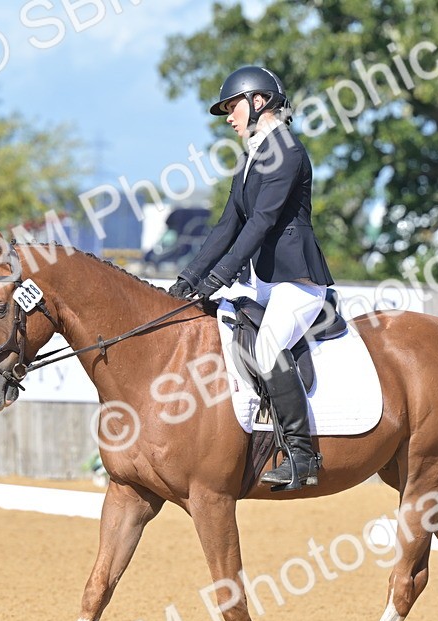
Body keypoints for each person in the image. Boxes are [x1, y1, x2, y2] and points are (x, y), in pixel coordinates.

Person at [168, 65, 334, 490]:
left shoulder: (289, 151)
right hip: (261, 280)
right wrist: (188, 280)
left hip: (296, 280)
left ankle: (301, 454)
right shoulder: (252, 155)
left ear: (258, 102)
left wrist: (217, 278)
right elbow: (227, 225)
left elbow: (260, 223)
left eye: (232, 106)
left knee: (267, 346)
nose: (228, 116)